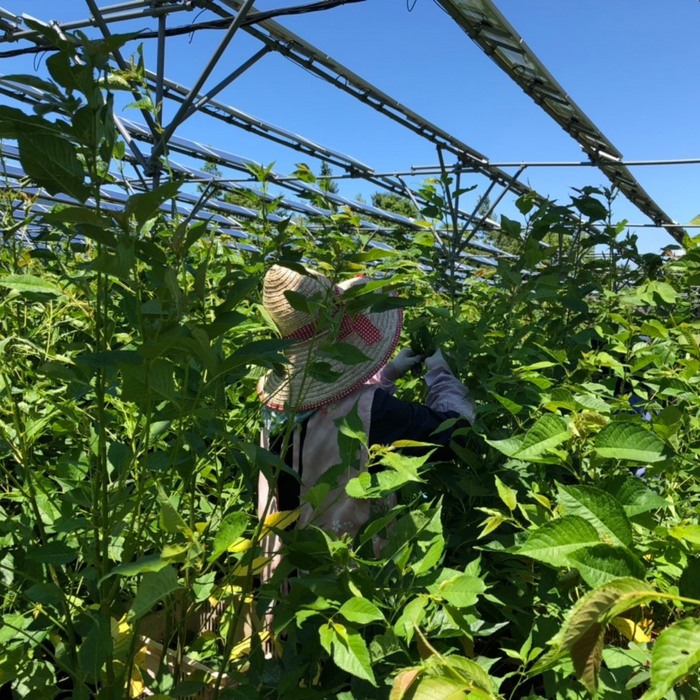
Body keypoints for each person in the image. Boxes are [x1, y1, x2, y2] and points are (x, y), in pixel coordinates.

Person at [256, 264, 476, 545]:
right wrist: (442, 377)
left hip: (281, 564)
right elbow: (454, 433)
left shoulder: (274, 406)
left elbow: (329, 412)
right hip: (346, 569)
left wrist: (385, 376)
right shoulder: (371, 410)